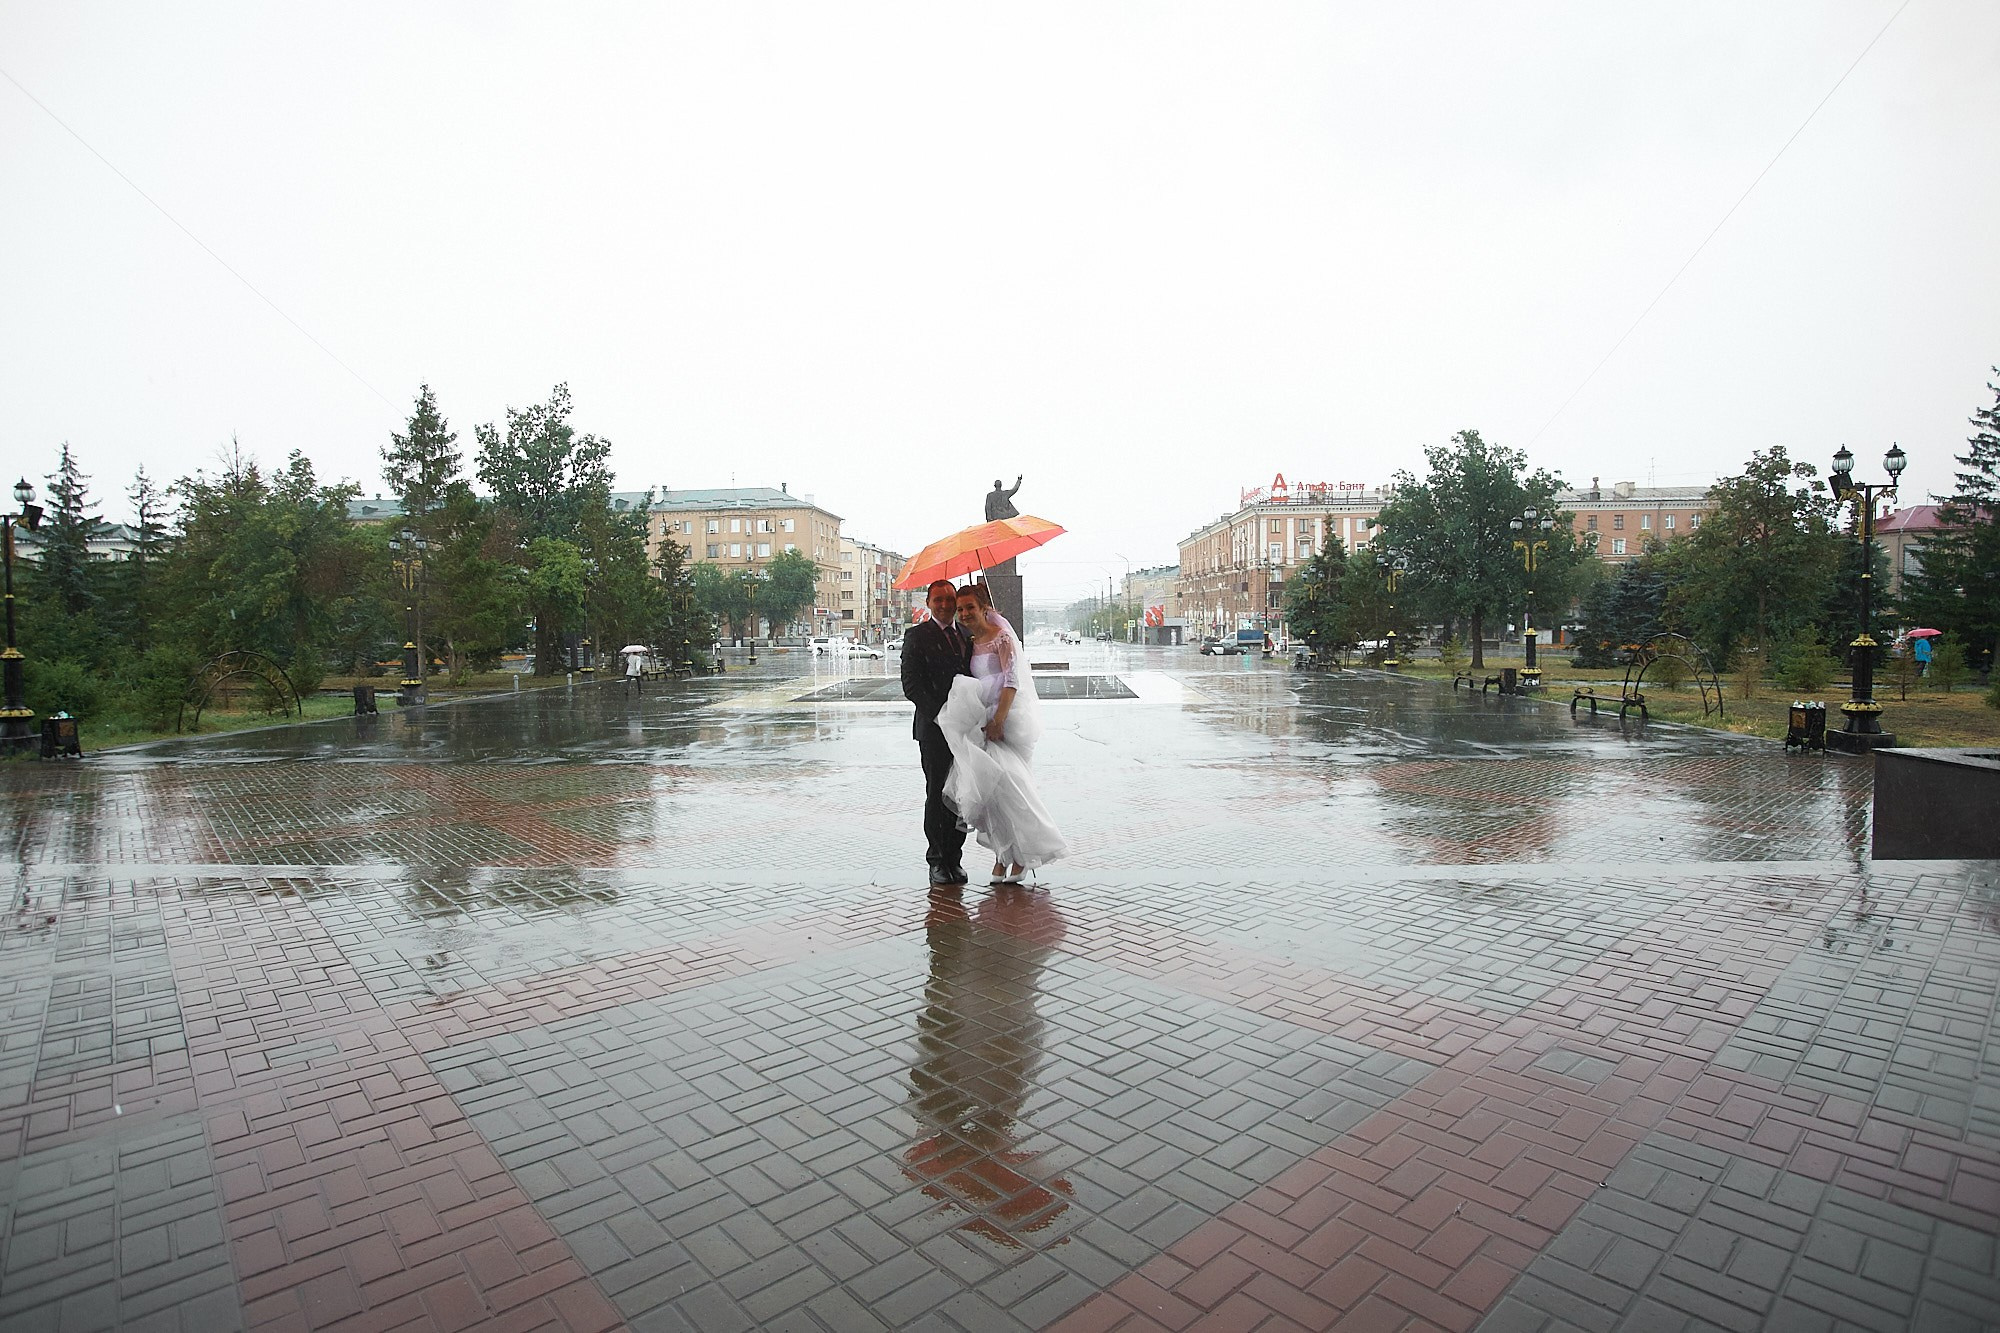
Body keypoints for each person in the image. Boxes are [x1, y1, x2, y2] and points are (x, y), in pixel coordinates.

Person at [936, 584, 1068, 884]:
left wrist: (999, 719)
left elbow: (1012, 681)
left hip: (1004, 722)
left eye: (970, 607)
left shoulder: (1002, 638)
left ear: (985, 607)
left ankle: (1024, 855)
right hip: (980, 723)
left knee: (1012, 788)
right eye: (960, 609)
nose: (964, 613)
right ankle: (1003, 855)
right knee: (990, 796)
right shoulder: (970, 642)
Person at [902, 580, 973, 886]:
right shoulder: (917, 636)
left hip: (967, 731)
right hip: (934, 730)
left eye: (949, 599)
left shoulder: (967, 636)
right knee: (937, 794)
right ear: (929, 603)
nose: (944, 605)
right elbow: (911, 685)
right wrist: (942, 715)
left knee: (961, 794)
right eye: (938, 600)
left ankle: (955, 858)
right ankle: (937, 860)